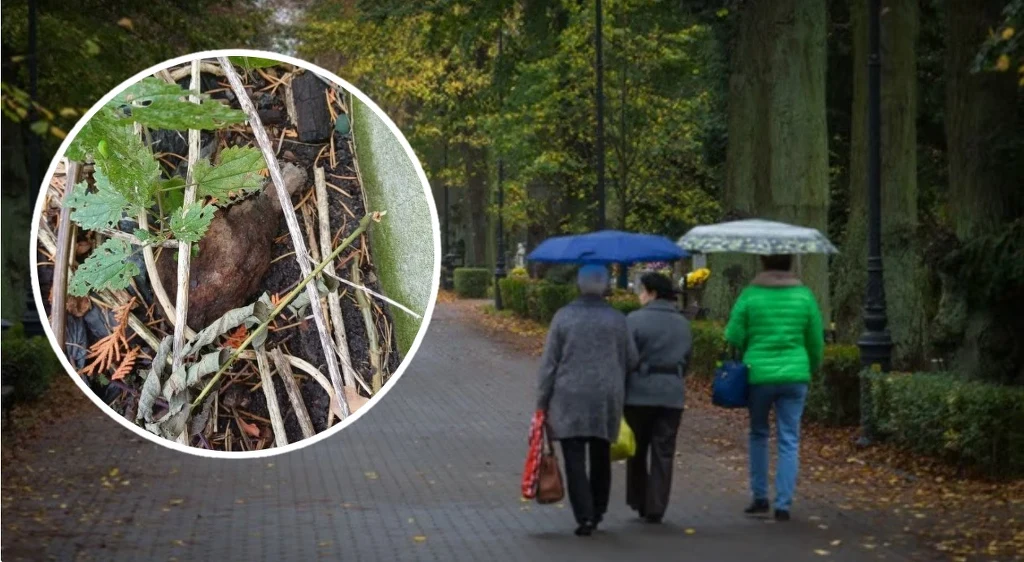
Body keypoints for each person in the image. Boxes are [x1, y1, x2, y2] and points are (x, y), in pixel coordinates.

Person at [536, 264, 639, 537]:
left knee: (574, 457)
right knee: (601, 452)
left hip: (568, 396)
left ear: (579, 285)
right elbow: (632, 359)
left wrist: (541, 402)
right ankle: (599, 509)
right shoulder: (618, 319)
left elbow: (549, 364)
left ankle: (584, 516)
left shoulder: (563, 317)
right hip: (606, 397)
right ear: (605, 286)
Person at [724, 254, 824, 522]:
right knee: (789, 438)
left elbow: (732, 334)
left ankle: (759, 497)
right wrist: (809, 367)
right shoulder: (805, 296)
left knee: (758, 433)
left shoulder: (750, 294)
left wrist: (749, 345)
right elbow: (815, 340)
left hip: (758, 374)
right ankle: (783, 503)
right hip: (795, 375)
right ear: (790, 263)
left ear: (763, 263)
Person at [623, 272, 692, 524]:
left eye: (641, 291)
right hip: (672, 394)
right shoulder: (683, 323)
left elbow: (626, 358)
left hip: (638, 394)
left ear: (651, 293)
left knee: (637, 449)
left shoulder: (633, 320)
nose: (639, 296)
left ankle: (638, 499)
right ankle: (657, 506)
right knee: (664, 450)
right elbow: (688, 360)